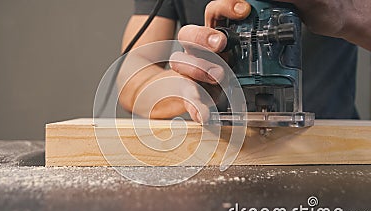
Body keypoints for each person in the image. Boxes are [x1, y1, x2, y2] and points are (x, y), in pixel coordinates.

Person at [119, 0, 371, 123]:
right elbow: (131, 73)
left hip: (333, 149)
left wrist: (346, 13)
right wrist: (187, 85)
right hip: (225, 153)